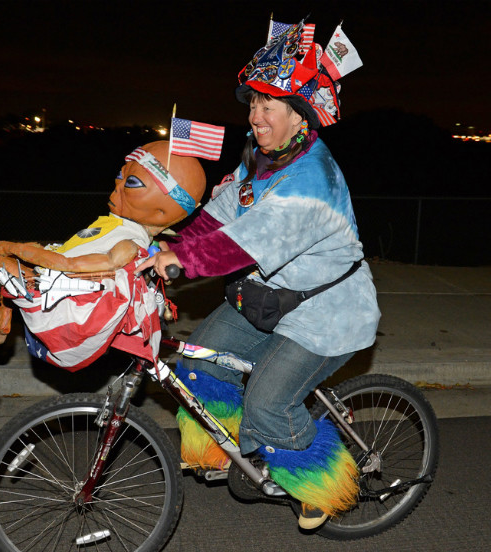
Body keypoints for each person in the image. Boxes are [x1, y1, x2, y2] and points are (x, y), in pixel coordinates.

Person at [136, 19, 380, 530]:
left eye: (269, 106)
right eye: (254, 103)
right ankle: (222, 451)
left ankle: (324, 486)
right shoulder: (262, 162)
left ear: (300, 117)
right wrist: (164, 244)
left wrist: (184, 261)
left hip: (325, 315)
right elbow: (219, 216)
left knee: (269, 404)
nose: (256, 114)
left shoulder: (313, 180)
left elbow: (240, 244)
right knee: (200, 363)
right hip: (269, 298)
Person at [0, 140, 206, 408]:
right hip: (59, 284)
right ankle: (2, 323)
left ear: (161, 211)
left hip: (65, 305)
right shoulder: (127, 229)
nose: (118, 187)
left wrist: (6, 246)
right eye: (120, 177)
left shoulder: (128, 243)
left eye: (132, 183)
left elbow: (71, 265)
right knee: (15, 260)